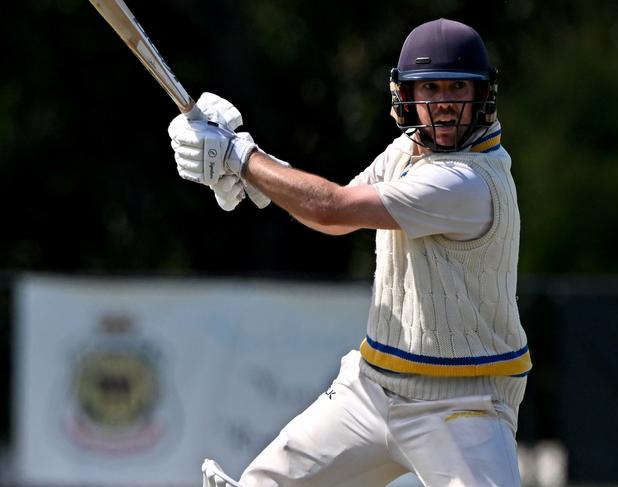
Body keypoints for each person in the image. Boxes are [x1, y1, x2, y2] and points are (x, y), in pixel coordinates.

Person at [169, 18, 531, 487]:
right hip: (373, 389)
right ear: (407, 95)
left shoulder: (469, 182)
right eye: (430, 88)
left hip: (462, 407)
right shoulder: (407, 152)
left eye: (457, 87)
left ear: (482, 94)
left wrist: (240, 157)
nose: (442, 105)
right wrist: (251, 178)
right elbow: (334, 207)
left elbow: (331, 211)